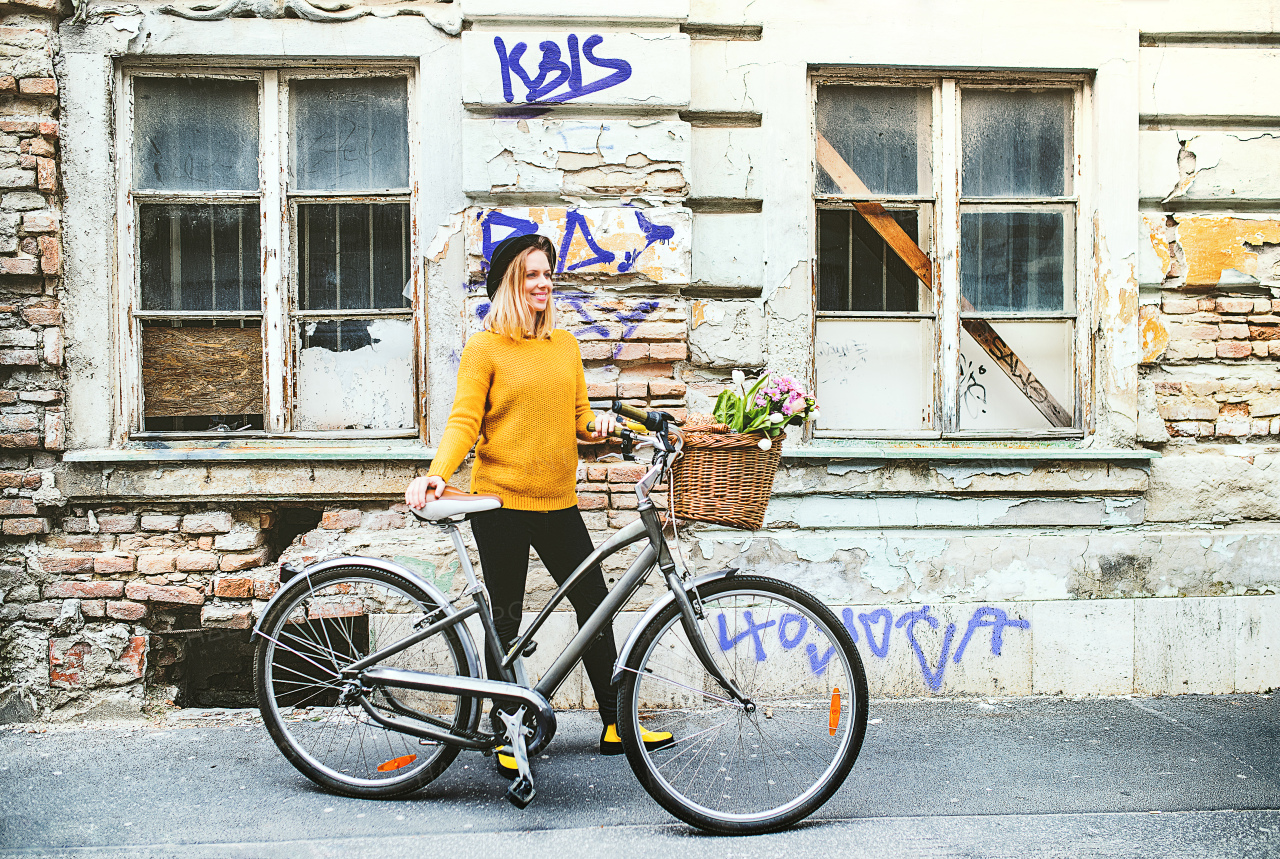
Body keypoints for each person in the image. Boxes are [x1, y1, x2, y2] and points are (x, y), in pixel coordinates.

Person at [404, 233, 671, 777]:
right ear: (509, 283)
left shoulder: (565, 347)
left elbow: (577, 425)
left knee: (594, 602)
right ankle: (509, 727)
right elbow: (463, 421)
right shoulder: (486, 349)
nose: (544, 282)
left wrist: (598, 429)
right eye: (531, 274)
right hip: (500, 503)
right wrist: (437, 474)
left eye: (548, 272)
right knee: (505, 615)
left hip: (559, 502)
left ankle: (616, 720)